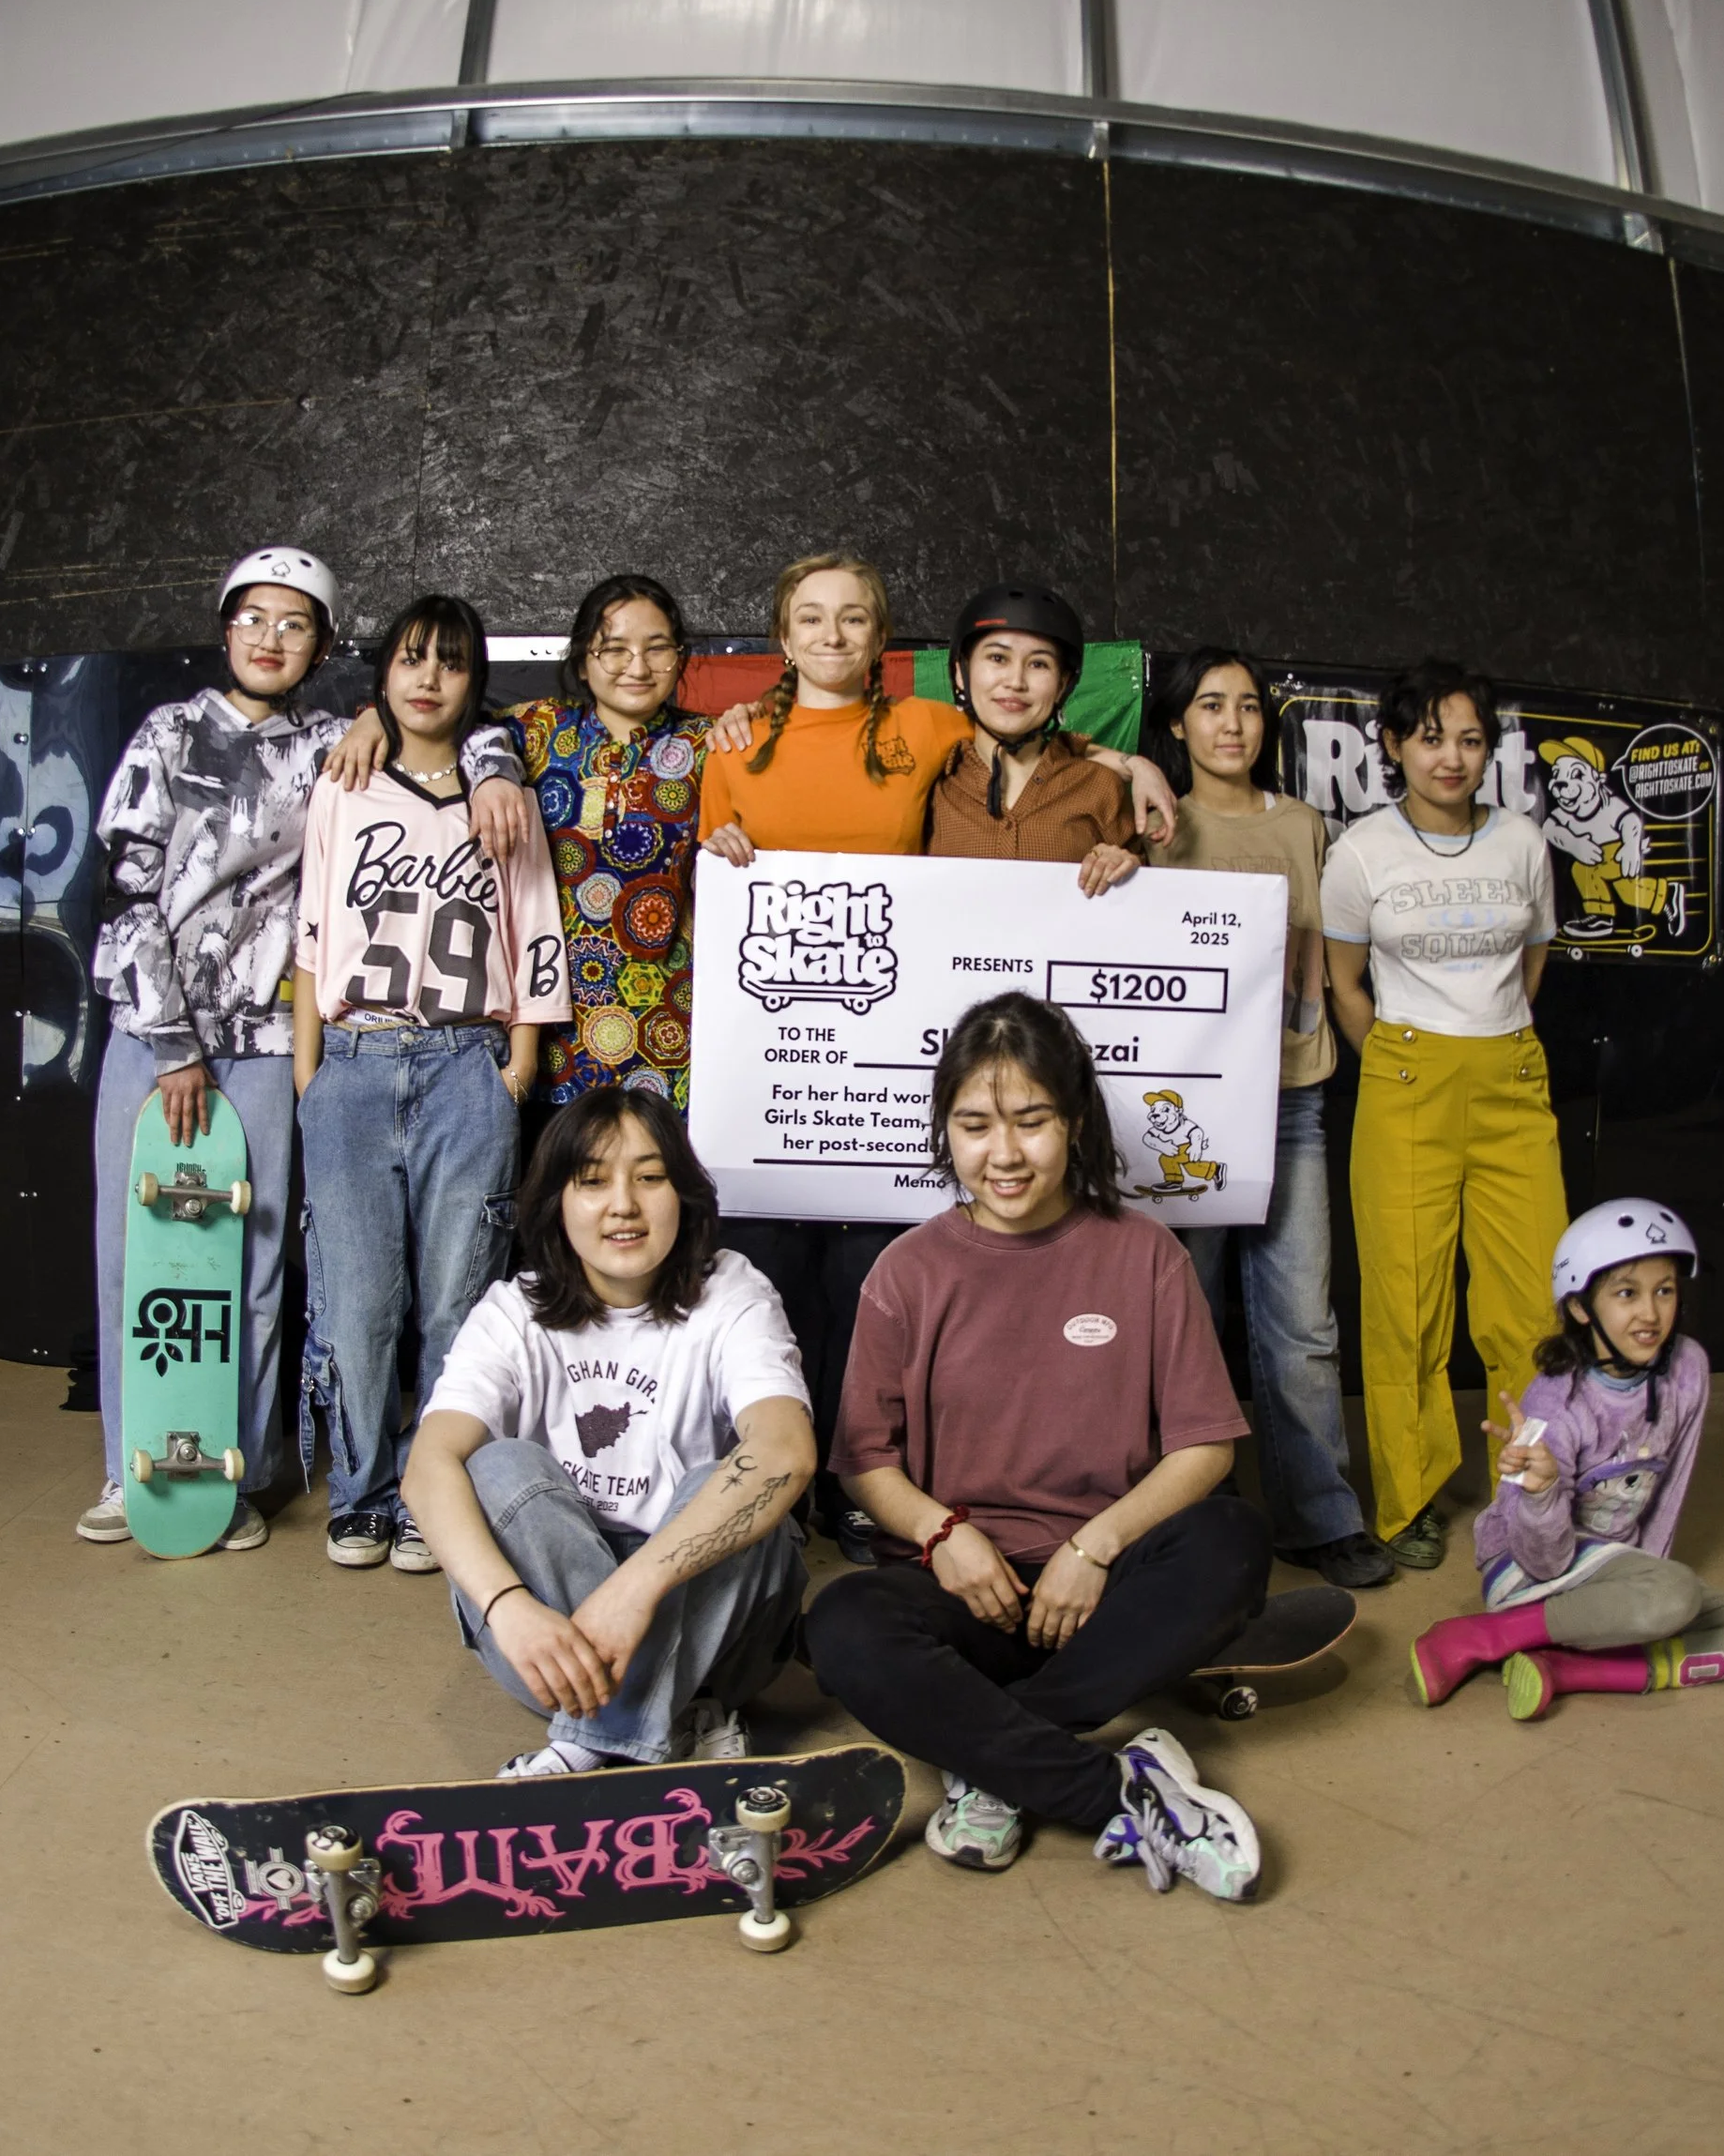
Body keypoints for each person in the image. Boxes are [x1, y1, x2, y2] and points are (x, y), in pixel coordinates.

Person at [700, 553, 1175, 1561]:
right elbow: (713, 871)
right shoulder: (737, 746)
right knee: (773, 1280)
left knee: (882, 1285)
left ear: (885, 640)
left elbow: (1044, 741)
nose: (832, 636)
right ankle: (770, 1486)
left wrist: (1137, 774)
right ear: (781, 638)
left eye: (855, 619)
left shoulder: (927, 733)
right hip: (784, 1063)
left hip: (905, 1064)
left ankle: (874, 1486)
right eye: (811, 620)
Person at [80, 549, 531, 1548]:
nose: (271, 638)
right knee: (143, 1253)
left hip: (273, 1036)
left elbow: (452, 729)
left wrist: (466, 751)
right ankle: (133, 1464)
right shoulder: (167, 732)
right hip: (158, 1038)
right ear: (227, 628)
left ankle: (231, 1472)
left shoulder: (338, 743)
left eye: (294, 624)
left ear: (323, 646)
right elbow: (124, 890)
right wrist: (169, 1045)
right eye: (254, 619)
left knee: (262, 1263)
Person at [803, 992, 1272, 1902]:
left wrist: (1091, 1549)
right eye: (975, 1125)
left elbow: (1205, 1448)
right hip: (959, 1592)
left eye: (1031, 1120)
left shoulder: (1143, 1255)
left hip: (1101, 1590)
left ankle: (992, 1757)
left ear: (1076, 1122)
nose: (1004, 1153)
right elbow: (865, 1458)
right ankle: (1112, 1793)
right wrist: (944, 1536)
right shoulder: (907, 1271)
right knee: (842, 1624)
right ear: (946, 1130)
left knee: (1231, 1541)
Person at [402, 1089, 815, 1774]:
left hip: (715, 1629)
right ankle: (673, 1722)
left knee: (738, 1482)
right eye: (592, 1181)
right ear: (556, 1203)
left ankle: (589, 1744)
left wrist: (635, 1592)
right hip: (556, 1649)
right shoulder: (512, 1313)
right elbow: (428, 1466)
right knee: (497, 1466)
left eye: (650, 1178)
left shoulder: (733, 1293)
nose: (623, 1204)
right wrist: (507, 1606)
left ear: (682, 1195)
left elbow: (786, 1451)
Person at [293, 594, 571, 1571]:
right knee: (361, 1303)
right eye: (410, 660)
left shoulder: (501, 793)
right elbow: (311, 935)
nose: (425, 679)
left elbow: (535, 931)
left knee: (455, 1299)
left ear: (473, 681)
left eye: (449, 663)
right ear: (381, 675)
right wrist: (309, 1075)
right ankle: (361, 1488)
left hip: (465, 1062)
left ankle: (428, 1491)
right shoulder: (344, 782)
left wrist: (519, 1069)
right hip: (357, 1059)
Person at [1142, 648, 1391, 1591]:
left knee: (1302, 1321)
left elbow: (1332, 959)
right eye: (1210, 705)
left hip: (1293, 1100)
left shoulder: (1304, 823)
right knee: (1190, 1319)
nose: (1232, 723)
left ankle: (1318, 1515)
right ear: (1176, 723)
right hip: (1186, 1112)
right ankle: (1190, 1509)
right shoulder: (1150, 819)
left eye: (1248, 706)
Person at [1322, 659, 1568, 1573]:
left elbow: (1532, 958)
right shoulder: (1359, 854)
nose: (1451, 757)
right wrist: (1395, 1054)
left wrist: (1490, 1033)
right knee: (1406, 1303)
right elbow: (1344, 981)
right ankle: (1410, 1497)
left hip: (1510, 1076)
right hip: (1407, 1076)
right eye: (1430, 737)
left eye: (1469, 738)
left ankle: (1531, 1476)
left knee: (1529, 1298)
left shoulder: (1523, 844)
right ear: (1393, 744)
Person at [1408, 1199, 1724, 1720]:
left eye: (1664, 1290)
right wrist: (1543, 1491)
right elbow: (1542, 1561)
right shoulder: (1556, 1402)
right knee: (1674, 1594)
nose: (1650, 1313)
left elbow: (1672, 1487)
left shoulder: (1687, 1366)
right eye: (1626, 1293)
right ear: (1579, 1307)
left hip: (1620, 1578)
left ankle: (1565, 1670)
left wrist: (1650, 1588)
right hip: (1529, 1572)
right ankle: (1488, 1633)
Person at [506, 574, 710, 1115]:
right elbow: (431, 725)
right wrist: (373, 727)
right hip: (545, 1024)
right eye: (614, 649)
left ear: (680, 657)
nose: (637, 667)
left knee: (654, 1182)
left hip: (669, 1027)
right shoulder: (535, 730)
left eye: (657, 649)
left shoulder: (713, 744)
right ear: (582, 659)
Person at [924, 582, 1142, 894]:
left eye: (1038, 664)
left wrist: (1125, 867)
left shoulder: (1100, 786)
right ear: (962, 672)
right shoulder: (929, 781)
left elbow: (1148, 904)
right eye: (998, 658)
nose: (1015, 681)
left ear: (1062, 684)